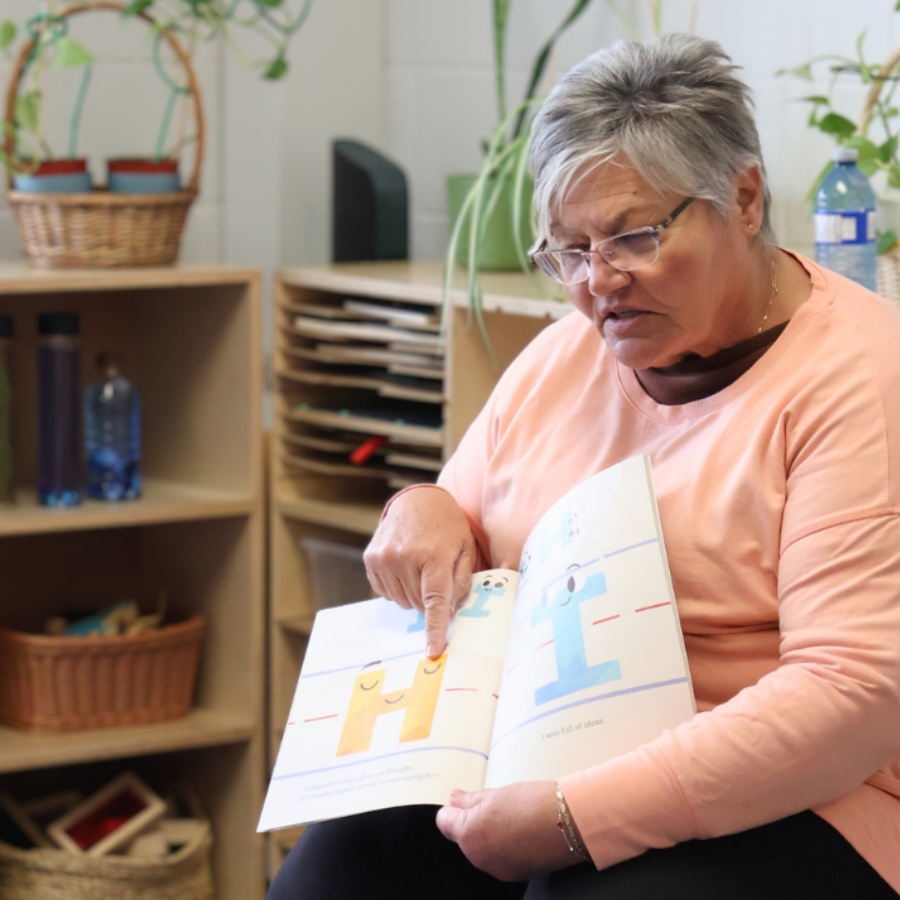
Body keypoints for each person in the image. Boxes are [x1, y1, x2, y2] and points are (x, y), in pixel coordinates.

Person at [268, 33, 900, 900]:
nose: (597, 282)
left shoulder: (859, 379)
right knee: (338, 871)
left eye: (632, 237)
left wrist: (577, 815)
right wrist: (423, 505)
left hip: (798, 794)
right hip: (543, 748)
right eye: (566, 251)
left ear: (745, 198)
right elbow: (467, 500)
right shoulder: (569, 351)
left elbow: (851, 696)